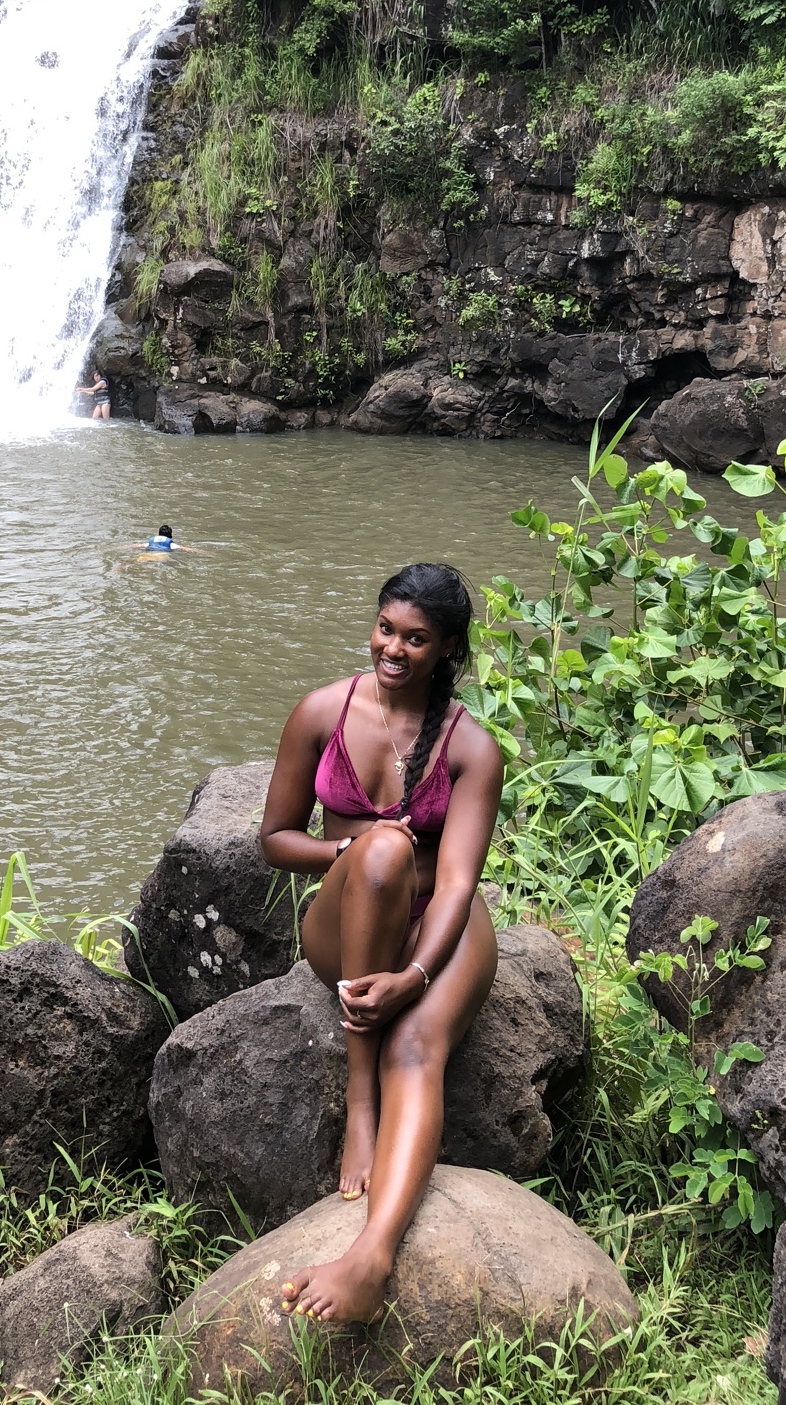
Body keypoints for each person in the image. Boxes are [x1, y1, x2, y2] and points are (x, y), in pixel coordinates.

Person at [259, 563, 502, 1324]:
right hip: (347, 923)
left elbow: (460, 882)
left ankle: (373, 1255)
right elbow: (274, 838)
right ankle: (359, 1096)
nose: (393, 648)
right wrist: (350, 854)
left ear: (446, 648)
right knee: (387, 851)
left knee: (417, 1049)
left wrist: (421, 974)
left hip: (438, 928)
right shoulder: (321, 712)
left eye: (416, 638)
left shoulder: (473, 749)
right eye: (386, 629)